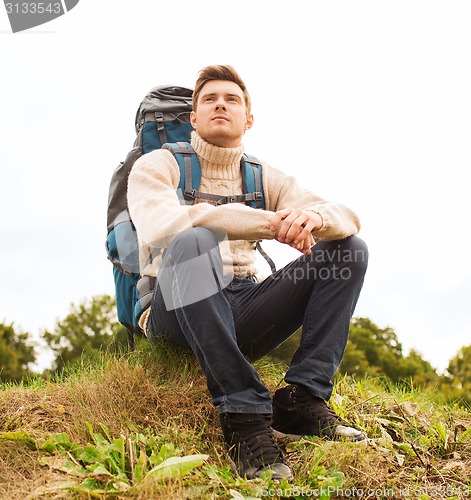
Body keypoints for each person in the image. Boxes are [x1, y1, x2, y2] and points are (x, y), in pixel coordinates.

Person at [127, 65, 368, 481]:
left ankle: (302, 398)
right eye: (209, 99)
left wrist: (308, 218)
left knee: (349, 250)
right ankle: (244, 416)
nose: (221, 104)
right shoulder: (157, 166)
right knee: (193, 239)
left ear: (248, 119)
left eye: (232, 99)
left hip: (242, 305)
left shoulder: (263, 176)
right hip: (176, 312)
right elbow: (160, 226)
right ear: (195, 119)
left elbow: (345, 216)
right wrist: (270, 224)